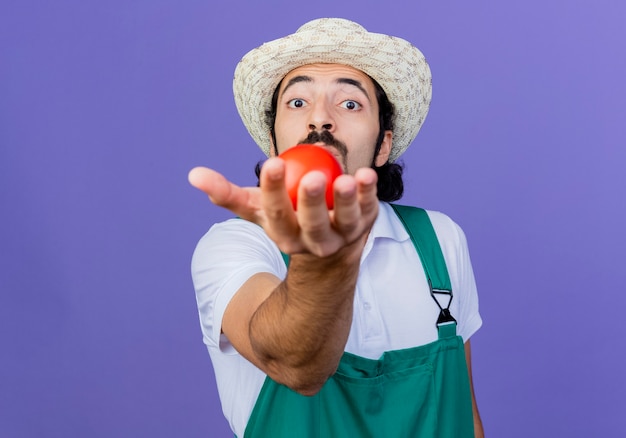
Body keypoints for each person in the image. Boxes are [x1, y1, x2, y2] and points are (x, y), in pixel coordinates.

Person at [189, 18, 484, 437]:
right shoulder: (234, 246)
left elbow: (465, 417)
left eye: (349, 103)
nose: (320, 120)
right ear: (273, 144)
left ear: (383, 144)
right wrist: (325, 262)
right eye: (297, 103)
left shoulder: (441, 239)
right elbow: (295, 366)